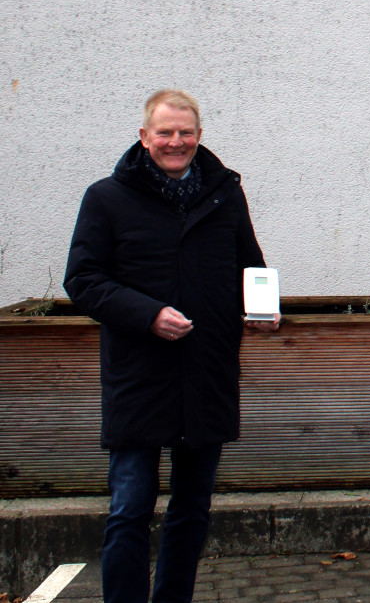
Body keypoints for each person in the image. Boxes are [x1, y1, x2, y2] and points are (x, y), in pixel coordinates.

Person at [64, 89, 277, 603]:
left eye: (185, 133)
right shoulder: (106, 198)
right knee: (130, 509)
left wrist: (261, 306)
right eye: (165, 132)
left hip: (206, 372)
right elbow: (84, 279)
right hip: (139, 377)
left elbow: (249, 262)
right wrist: (148, 315)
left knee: (191, 511)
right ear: (144, 137)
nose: (175, 142)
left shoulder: (225, 195)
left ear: (200, 137)